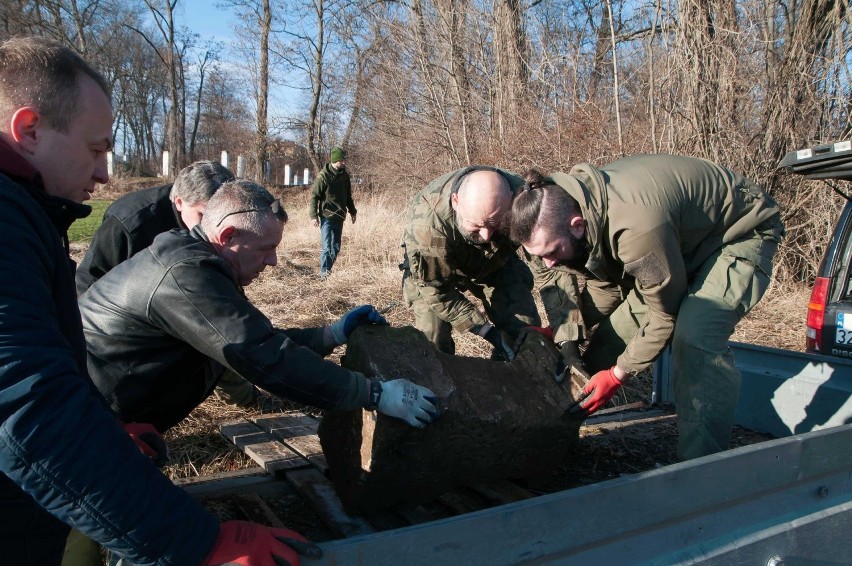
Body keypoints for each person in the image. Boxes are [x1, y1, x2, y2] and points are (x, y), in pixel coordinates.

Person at [0, 36, 320, 566]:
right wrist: (196, 541)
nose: (105, 172)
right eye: (98, 148)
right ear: (28, 129)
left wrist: (102, 432)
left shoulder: (27, 211)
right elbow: (25, 410)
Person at [79, 178, 440, 434]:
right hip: (92, 414)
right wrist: (374, 393)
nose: (274, 263)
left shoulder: (197, 260)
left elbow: (256, 338)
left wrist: (333, 333)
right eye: (266, 249)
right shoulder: (185, 276)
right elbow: (262, 356)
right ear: (228, 236)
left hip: (109, 408)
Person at [509, 155, 784, 460]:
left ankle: (703, 465)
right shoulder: (569, 201)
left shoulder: (636, 230)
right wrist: (564, 328)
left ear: (576, 226)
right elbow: (606, 284)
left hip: (736, 234)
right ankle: (556, 442)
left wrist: (619, 375)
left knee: (695, 337)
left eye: (552, 252)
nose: (549, 262)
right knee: (606, 347)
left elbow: (666, 314)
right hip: (679, 243)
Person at [76, 160, 263, 409]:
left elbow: (227, 315)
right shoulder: (130, 223)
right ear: (179, 203)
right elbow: (90, 281)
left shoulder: (215, 229)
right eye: (202, 215)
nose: (211, 227)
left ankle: (244, 397)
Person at [400, 166, 557, 360]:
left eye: (495, 224)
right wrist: (486, 332)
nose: (486, 236)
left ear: (509, 200)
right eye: (475, 226)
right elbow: (436, 291)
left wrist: (565, 333)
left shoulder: (525, 199)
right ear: (456, 202)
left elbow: (551, 268)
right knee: (434, 338)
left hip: (495, 263)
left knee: (523, 329)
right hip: (437, 270)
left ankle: (511, 376)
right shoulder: (428, 228)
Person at [309, 146, 356, 279]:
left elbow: (348, 196)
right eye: (342, 160)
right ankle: (324, 275)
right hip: (326, 216)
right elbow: (314, 196)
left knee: (336, 248)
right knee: (327, 247)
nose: (344, 162)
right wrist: (313, 216)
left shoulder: (345, 176)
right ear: (336, 160)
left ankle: (328, 269)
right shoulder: (323, 177)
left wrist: (353, 212)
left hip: (340, 216)